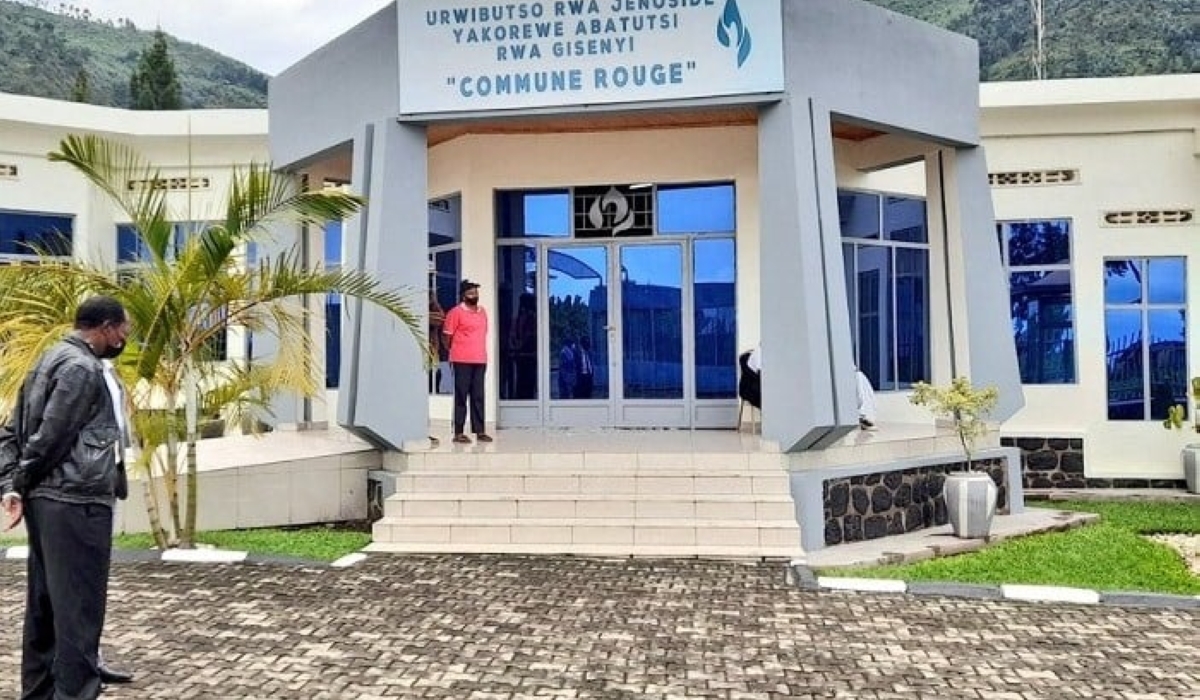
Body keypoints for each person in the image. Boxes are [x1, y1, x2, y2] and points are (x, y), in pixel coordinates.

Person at [0, 295, 134, 699]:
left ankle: (40, 691)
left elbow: (14, 430)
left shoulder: (52, 357)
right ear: (107, 327)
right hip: (76, 501)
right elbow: (50, 437)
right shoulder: (81, 368)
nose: (126, 336)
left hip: (51, 501)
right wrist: (17, 483)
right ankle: (76, 691)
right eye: (124, 329)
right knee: (78, 609)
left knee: (47, 604)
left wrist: (14, 484)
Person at [443, 280, 492, 444]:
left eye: (476, 293)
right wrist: (454, 350)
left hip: (480, 359)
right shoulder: (455, 313)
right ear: (463, 295)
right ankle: (458, 432)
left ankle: (480, 431)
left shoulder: (482, 312)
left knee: (478, 395)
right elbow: (446, 336)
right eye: (471, 293)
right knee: (461, 395)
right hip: (461, 359)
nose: (475, 296)